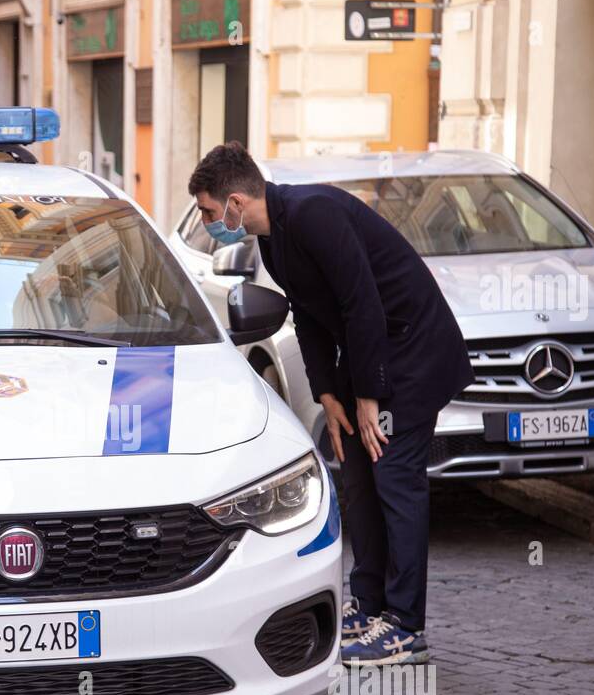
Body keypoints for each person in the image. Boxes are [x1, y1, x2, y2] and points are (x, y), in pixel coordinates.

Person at [187, 142, 474, 667]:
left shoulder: (314, 213)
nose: (209, 223)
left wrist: (367, 395)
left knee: (395, 477)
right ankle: (367, 605)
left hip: (413, 350)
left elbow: (360, 300)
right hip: (376, 353)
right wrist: (328, 394)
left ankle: (406, 627)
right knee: (359, 475)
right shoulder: (273, 239)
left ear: (234, 201)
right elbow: (310, 315)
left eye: (208, 212)